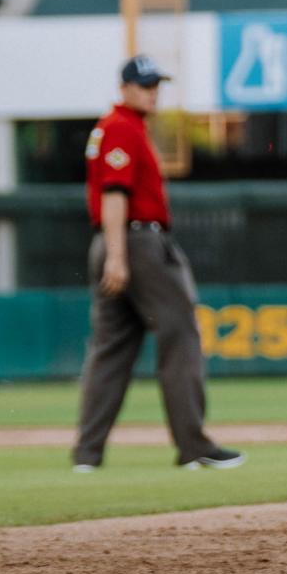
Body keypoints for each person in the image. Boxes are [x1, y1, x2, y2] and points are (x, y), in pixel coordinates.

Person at [72, 56, 243, 474]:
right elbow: (114, 194)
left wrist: (112, 251)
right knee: (181, 335)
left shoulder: (116, 127)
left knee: (111, 349)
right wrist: (118, 255)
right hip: (137, 242)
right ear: (125, 87)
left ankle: (87, 456)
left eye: (155, 85)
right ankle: (193, 446)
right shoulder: (121, 127)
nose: (153, 91)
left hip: (117, 241)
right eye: (145, 85)